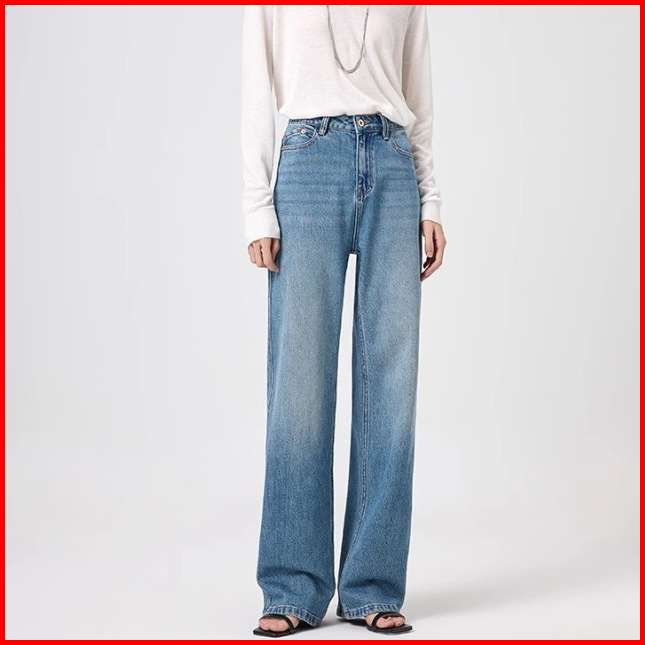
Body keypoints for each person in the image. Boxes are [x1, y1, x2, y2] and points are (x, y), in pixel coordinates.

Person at [240, 5, 446, 637]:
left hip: (392, 163)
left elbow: (419, 94)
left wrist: (431, 199)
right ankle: (292, 585)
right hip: (307, 163)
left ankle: (372, 585)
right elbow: (255, 86)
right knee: (299, 382)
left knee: (391, 383)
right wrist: (257, 208)